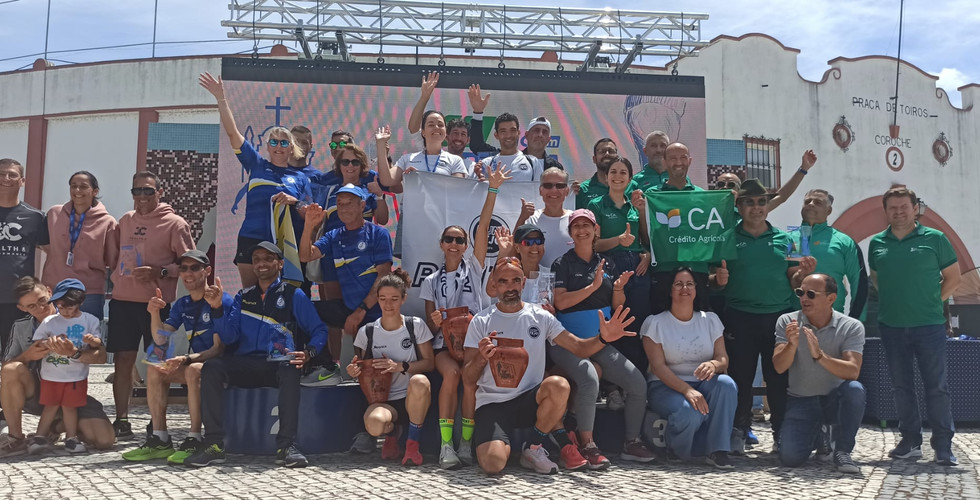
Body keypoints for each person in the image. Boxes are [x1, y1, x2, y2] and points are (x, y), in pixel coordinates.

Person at [462, 257, 636, 475]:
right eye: (503, 281)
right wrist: (481, 357)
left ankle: (532, 448)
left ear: (523, 283)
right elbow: (467, 378)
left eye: (515, 280)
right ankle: (514, 448)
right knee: (493, 465)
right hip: (493, 403)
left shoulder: (540, 316)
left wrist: (603, 338)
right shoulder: (480, 321)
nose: (510, 287)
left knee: (559, 385)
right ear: (494, 285)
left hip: (530, 400)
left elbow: (579, 347)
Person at [185, 241, 327, 468]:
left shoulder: (294, 294)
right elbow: (229, 337)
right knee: (211, 368)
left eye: (268, 259)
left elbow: (319, 330)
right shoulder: (243, 296)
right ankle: (214, 445)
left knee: (291, 368)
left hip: (277, 365)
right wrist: (217, 308)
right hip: (246, 364)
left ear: (280, 264)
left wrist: (309, 352)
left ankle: (286, 446)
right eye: (256, 260)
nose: (261, 263)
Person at [550, 208, 655, 468]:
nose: (582, 230)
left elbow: (617, 305)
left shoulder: (608, 263)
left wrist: (618, 289)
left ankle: (632, 442)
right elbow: (560, 302)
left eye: (586, 225)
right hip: (568, 342)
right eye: (576, 226)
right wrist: (592, 287)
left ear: (596, 230)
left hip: (599, 341)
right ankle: (588, 445)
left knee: (637, 384)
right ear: (570, 232)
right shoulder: (562, 263)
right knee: (589, 377)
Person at [868, 186, 960, 466]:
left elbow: (953, 278)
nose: (899, 212)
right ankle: (910, 441)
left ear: (915, 209)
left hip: (929, 326)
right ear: (886, 211)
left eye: (904, 207)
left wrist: (931, 301)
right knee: (901, 387)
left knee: (936, 387)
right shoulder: (877, 243)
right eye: (893, 208)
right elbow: (876, 279)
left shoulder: (936, 239)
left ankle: (943, 446)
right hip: (892, 326)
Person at [199, 72, 313, 288]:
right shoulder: (256, 164)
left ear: (291, 148)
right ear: (267, 146)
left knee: (279, 297)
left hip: (281, 243)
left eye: (284, 142)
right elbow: (232, 133)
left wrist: (294, 201)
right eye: (274, 142)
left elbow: (308, 212)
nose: (278, 146)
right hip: (250, 238)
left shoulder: (300, 178)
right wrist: (221, 98)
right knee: (251, 296)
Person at [121, 250, 233, 465]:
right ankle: (159, 438)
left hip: (222, 366)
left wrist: (186, 359)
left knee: (193, 370)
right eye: (183, 268)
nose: (188, 273)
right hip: (195, 362)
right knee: (155, 367)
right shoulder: (183, 304)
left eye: (195, 268)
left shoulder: (220, 299)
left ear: (207, 271)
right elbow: (161, 339)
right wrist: (154, 313)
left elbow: (218, 349)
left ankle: (194, 438)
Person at [722, 179, 807, 454]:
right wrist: (717, 279)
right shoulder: (726, 237)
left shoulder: (791, 239)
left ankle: (780, 433)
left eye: (761, 202)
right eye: (749, 202)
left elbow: (795, 280)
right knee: (740, 378)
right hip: (739, 316)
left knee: (779, 379)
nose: (756, 208)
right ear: (739, 206)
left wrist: (803, 273)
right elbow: (713, 277)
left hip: (779, 318)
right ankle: (739, 430)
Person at [108, 171, 194, 439]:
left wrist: (160, 272)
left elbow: (191, 264)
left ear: (160, 192)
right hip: (122, 302)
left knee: (158, 364)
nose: (142, 196)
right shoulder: (125, 220)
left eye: (148, 190)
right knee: (122, 362)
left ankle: (156, 422)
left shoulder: (175, 223)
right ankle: (121, 420)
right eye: (137, 191)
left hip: (157, 306)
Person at [420, 186, 494, 468]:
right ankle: (446, 445)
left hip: (472, 342)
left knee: (469, 380)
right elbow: (429, 327)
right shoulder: (430, 281)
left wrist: (493, 189)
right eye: (448, 239)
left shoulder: (474, 269)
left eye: (459, 240)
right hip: (443, 346)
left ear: (466, 246)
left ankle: (466, 443)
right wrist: (435, 320)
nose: (454, 243)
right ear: (441, 244)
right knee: (452, 375)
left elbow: (484, 225)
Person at [0, 277, 114, 457]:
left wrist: (74, 353)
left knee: (104, 439)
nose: (40, 308)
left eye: (42, 300)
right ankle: (16, 438)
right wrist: (27, 356)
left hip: (73, 387)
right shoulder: (21, 326)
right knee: (10, 369)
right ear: (22, 308)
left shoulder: (83, 319)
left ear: (49, 292)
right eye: (31, 306)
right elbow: (6, 366)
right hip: (38, 391)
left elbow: (101, 357)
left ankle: (56, 427)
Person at [641, 267, 737, 469]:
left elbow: (723, 359)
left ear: (696, 289)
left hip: (703, 383)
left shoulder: (711, 320)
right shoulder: (655, 323)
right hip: (666, 386)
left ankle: (718, 450)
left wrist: (713, 364)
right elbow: (657, 367)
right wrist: (687, 390)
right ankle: (677, 451)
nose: (684, 288)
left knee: (726, 384)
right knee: (690, 413)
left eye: (689, 284)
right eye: (678, 284)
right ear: (670, 290)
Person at [774, 274, 865, 473]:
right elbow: (779, 366)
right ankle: (820, 435)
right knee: (790, 458)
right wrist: (791, 345)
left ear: (831, 298)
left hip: (834, 399)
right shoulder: (787, 321)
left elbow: (853, 371)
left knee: (854, 389)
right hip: (800, 400)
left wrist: (820, 356)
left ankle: (842, 451)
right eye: (800, 292)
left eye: (811, 294)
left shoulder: (851, 326)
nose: (803, 298)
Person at [300, 185, 393, 372]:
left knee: (371, 370)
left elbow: (383, 278)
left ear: (362, 206)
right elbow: (305, 256)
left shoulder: (378, 234)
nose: (343, 208)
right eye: (340, 204)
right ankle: (325, 367)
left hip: (374, 312)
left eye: (349, 203)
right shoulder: (334, 235)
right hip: (348, 310)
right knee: (303, 311)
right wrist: (309, 225)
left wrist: (360, 311)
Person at [348, 270, 435, 466]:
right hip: (384, 401)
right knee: (374, 425)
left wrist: (399, 366)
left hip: (412, 397)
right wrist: (355, 371)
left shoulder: (415, 325)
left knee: (420, 381)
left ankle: (412, 445)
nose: (388, 305)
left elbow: (430, 363)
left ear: (404, 299)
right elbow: (363, 369)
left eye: (394, 299)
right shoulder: (367, 331)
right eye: (383, 299)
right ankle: (392, 434)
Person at [586, 156, 652, 369]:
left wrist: (646, 254)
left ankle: (638, 378)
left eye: (623, 172)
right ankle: (613, 381)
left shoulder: (635, 206)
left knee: (638, 323)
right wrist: (618, 240)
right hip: (610, 267)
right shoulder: (596, 205)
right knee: (614, 322)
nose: (617, 176)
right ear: (606, 177)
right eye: (613, 172)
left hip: (638, 269)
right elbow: (593, 245)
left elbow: (645, 240)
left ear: (630, 178)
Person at [29, 279, 104, 454]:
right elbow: (37, 342)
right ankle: (40, 437)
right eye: (60, 306)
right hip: (51, 375)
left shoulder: (90, 320)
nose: (64, 311)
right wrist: (49, 343)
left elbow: (98, 344)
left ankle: (71, 439)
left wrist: (92, 341)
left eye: (69, 307)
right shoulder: (50, 321)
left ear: (80, 302)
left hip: (76, 376)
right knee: (50, 406)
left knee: (70, 408)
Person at [42, 170, 118, 320]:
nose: (77, 190)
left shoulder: (107, 222)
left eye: (83, 186)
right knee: (50, 334)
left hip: (88, 293)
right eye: (73, 186)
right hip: (54, 290)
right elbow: (43, 244)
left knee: (86, 334)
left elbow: (113, 260)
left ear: (95, 191)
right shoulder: (54, 213)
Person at [788, 189, 868, 318]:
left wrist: (857, 320)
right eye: (807, 201)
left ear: (829, 211)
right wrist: (801, 274)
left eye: (818, 202)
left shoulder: (844, 241)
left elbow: (858, 283)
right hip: (796, 319)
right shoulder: (790, 239)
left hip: (833, 319)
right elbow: (786, 280)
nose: (811, 204)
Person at [0, 158, 49, 354]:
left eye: (12, 175)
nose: (6, 178)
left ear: (22, 181)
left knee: (15, 358)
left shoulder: (36, 217)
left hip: (19, 301)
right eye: (1, 174)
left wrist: (44, 289)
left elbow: (52, 253)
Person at [465, 84, 565, 172]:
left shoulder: (555, 167)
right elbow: (477, 146)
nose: (540, 135)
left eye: (544, 132)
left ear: (549, 139)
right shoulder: (500, 157)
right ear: (526, 135)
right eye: (536, 130)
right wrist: (477, 112)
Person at [405, 72, 478, 176]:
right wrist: (424, 97)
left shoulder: (473, 167)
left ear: (468, 140)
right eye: (455, 133)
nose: (459, 138)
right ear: (446, 136)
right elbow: (413, 128)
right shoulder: (429, 153)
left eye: (463, 134)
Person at [310, 143, 390, 233]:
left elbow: (382, 220)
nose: (350, 165)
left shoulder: (369, 191)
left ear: (362, 165)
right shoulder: (328, 191)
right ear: (339, 165)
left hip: (362, 240)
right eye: (345, 162)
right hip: (333, 240)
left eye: (355, 162)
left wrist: (379, 195)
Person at [375, 112, 468, 187]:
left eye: (440, 125)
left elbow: (457, 190)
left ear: (445, 132)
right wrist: (380, 144)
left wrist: (422, 177)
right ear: (423, 132)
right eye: (431, 125)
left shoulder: (455, 160)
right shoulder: (407, 159)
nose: (436, 127)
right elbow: (387, 180)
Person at [710, 150, 818, 212]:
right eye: (720, 184)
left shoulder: (748, 211)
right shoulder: (705, 208)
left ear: (738, 192)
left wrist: (803, 169)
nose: (725, 187)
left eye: (731, 185)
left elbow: (781, 196)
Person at [513, 167, 574, 269]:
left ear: (567, 191)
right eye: (548, 186)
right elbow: (514, 248)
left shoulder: (575, 220)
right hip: (538, 278)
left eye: (560, 185)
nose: (554, 190)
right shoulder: (531, 219)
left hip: (570, 279)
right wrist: (522, 218)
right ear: (540, 190)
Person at [474, 113, 542, 182]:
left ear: (518, 133)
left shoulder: (533, 162)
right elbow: (479, 187)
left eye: (512, 130)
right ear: (496, 135)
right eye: (503, 131)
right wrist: (480, 180)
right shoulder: (487, 163)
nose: (508, 135)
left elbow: (540, 188)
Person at [573, 139, 633, 210]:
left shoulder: (632, 186)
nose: (607, 154)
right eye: (602, 151)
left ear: (617, 157)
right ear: (594, 159)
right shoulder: (582, 190)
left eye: (611, 151)